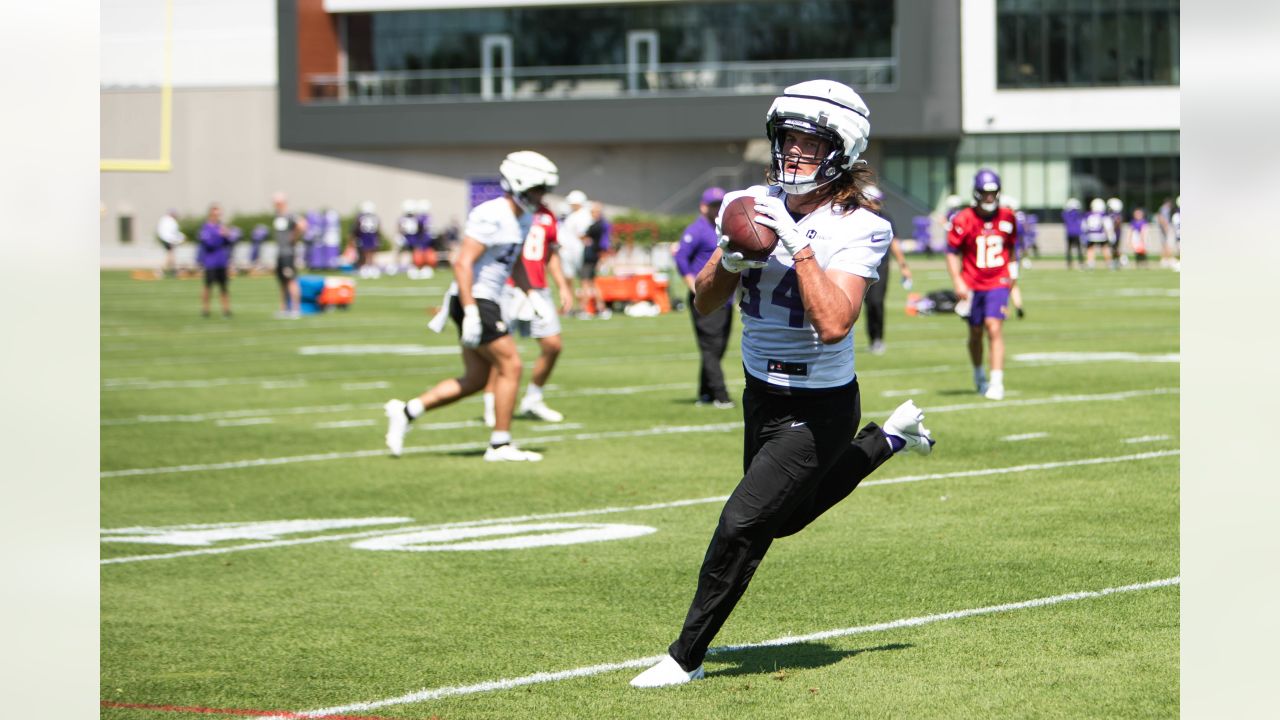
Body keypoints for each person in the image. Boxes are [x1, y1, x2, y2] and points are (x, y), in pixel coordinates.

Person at [630, 79, 935, 689]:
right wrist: (730, 257)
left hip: (819, 404)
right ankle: (889, 439)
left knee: (742, 523)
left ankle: (685, 655)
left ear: (842, 150)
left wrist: (798, 249)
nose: (793, 153)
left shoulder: (861, 226)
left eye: (809, 142)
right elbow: (704, 301)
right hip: (759, 392)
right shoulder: (745, 202)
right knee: (781, 520)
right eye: (787, 139)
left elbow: (833, 323)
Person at [384, 150, 559, 463]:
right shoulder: (492, 213)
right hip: (475, 297)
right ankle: (500, 444)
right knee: (512, 365)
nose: (542, 196)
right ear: (520, 184)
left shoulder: (524, 216)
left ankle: (407, 411)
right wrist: (473, 310)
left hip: (485, 298)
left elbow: (514, 261)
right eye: (538, 189)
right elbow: (462, 262)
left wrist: (531, 295)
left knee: (476, 379)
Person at [482, 199, 575, 426]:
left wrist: (562, 286)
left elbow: (551, 253)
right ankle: (491, 403)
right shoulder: (508, 211)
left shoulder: (547, 214)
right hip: (508, 287)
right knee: (502, 351)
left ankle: (533, 398)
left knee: (553, 345)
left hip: (538, 288)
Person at [946, 168, 1018, 401]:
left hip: (998, 281)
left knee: (994, 327)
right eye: (985, 193)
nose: (989, 198)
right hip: (973, 283)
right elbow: (951, 252)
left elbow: (1012, 249)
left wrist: (1014, 279)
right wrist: (958, 280)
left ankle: (997, 382)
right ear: (976, 193)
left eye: (993, 193)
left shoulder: (1007, 216)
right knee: (975, 332)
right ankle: (979, 375)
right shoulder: (963, 219)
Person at [673, 186, 734, 408]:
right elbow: (681, 258)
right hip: (707, 297)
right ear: (703, 207)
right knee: (711, 347)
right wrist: (693, 286)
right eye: (713, 205)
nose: (718, 209)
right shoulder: (697, 230)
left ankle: (705, 393)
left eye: (720, 205)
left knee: (718, 347)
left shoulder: (723, 229)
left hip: (724, 298)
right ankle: (721, 395)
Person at [860, 184, 913, 354]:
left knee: (877, 302)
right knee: (864, 304)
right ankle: (870, 337)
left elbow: (894, 243)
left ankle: (878, 339)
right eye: (874, 201)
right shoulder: (856, 218)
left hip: (881, 267)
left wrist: (903, 266)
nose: (878, 204)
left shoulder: (886, 218)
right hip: (861, 266)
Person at [196, 203, 235, 318]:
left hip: (221, 261)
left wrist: (227, 235)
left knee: (224, 287)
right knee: (208, 286)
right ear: (211, 214)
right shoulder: (206, 228)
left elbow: (229, 243)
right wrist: (219, 236)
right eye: (216, 213)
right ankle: (205, 309)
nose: (218, 216)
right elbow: (209, 244)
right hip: (210, 262)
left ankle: (226, 310)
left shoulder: (221, 227)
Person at [271, 192, 306, 318]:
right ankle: (284, 308)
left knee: (291, 280)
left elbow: (302, 224)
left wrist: (294, 236)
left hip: (288, 253)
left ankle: (296, 309)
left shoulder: (290, 215)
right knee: (282, 282)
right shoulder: (277, 216)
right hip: (280, 253)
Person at [561, 190, 591, 315]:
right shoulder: (573, 215)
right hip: (570, 251)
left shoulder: (583, 215)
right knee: (569, 279)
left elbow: (582, 235)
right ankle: (569, 306)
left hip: (576, 252)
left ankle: (583, 307)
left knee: (583, 280)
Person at [580, 202, 610, 318]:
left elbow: (584, 236)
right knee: (593, 284)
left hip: (590, 257)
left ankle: (585, 309)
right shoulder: (602, 225)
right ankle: (601, 308)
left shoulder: (596, 226)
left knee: (585, 284)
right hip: (594, 257)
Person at [353, 201, 382, 278]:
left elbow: (356, 228)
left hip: (364, 237)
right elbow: (378, 229)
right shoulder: (375, 217)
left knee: (366, 253)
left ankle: (367, 268)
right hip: (372, 237)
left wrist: (356, 237)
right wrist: (378, 238)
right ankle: (369, 267)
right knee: (370, 253)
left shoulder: (360, 217)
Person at [1082, 198, 1112, 269]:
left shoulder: (1088, 215)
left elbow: (1084, 226)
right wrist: (1110, 235)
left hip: (1091, 235)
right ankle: (1109, 263)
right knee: (1105, 248)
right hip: (1101, 235)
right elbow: (1107, 226)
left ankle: (1090, 263)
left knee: (1090, 249)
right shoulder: (1103, 215)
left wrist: (1085, 234)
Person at [155, 209, 185, 277]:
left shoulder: (165, 220)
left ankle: (173, 270)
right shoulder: (170, 221)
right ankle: (161, 270)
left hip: (166, 239)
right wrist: (179, 239)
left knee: (171, 255)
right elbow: (172, 233)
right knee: (170, 255)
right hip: (168, 240)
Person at [1062, 198, 1084, 269]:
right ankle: (1081, 263)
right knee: (1079, 248)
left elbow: (1064, 219)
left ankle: (1069, 263)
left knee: (1069, 249)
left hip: (1069, 233)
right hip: (1077, 233)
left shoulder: (1066, 213)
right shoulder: (1078, 213)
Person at [1107, 197, 1126, 269]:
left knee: (1115, 248)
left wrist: (1112, 231)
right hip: (1115, 233)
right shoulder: (1114, 214)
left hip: (1115, 234)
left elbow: (1117, 222)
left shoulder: (1115, 214)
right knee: (1113, 249)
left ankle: (1122, 259)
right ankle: (1116, 262)